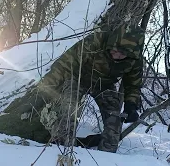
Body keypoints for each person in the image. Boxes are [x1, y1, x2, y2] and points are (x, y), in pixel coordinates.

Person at [20, 23, 144, 153]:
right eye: (115, 49)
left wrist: (131, 105)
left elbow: (133, 85)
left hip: (105, 86)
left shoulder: (135, 59)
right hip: (79, 78)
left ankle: (106, 157)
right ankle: (62, 150)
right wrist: (43, 91)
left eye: (122, 54)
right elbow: (64, 65)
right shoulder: (96, 41)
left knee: (114, 120)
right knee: (69, 108)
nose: (117, 55)